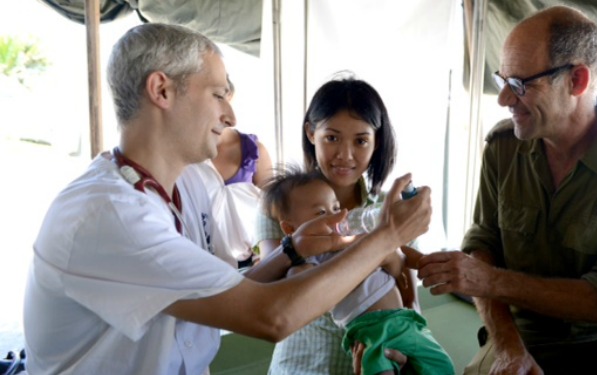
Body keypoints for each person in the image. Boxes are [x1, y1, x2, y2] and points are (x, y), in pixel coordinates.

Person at [22, 23, 431, 375]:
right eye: (219, 94)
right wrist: (386, 236)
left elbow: (227, 291)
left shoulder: (194, 184)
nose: (230, 116)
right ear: (161, 90)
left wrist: (292, 249)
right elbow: (269, 316)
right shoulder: (108, 214)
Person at [418, 5, 597, 375]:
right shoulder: (503, 148)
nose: (504, 99)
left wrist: (491, 281)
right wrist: (506, 347)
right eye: (501, 79)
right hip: (520, 331)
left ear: (577, 81)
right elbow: (482, 249)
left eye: (519, 84)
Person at [254, 76, 421, 374]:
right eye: (332, 138)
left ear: (376, 142)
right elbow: (271, 295)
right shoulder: (281, 203)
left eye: (360, 141)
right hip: (301, 365)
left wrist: (390, 256)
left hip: (376, 363)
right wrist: (375, 252)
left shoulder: (393, 209)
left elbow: (412, 309)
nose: (345, 155)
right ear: (311, 133)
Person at [262, 165, 454, 375]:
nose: (336, 218)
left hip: (404, 322)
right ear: (291, 229)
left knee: (441, 365)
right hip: (370, 330)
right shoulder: (310, 260)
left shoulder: (352, 237)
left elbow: (398, 248)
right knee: (380, 369)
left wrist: (424, 261)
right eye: (320, 212)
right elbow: (298, 290)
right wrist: (297, 265)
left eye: (336, 208)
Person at [194, 77, 273, 267]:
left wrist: (262, 255)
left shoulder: (254, 151)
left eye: (222, 97)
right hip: (202, 259)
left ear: (230, 95)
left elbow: (274, 211)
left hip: (253, 259)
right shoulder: (187, 154)